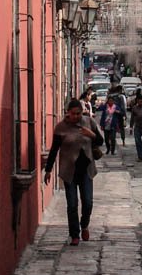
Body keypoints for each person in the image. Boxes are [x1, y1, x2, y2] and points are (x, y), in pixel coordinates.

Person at [43, 96, 105, 245]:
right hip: (69, 171)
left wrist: (91, 135)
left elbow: (100, 141)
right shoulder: (61, 128)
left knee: (88, 202)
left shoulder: (89, 122)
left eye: (79, 113)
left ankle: (84, 225)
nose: (77, 116)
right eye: (74, 114)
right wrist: (48, 170)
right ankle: (74, 234)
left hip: (86, 170)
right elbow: (54, 149)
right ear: (68, 113)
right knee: (72, 204)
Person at [101, 89, 126, 155]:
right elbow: (102, 115)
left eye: (112, 101)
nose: (110, 102)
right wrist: (102, 124)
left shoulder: (116, 107)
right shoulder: (105, 107)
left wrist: (118, 112)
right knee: (106, 139)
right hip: (106, 125)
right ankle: (108, 148)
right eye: (109, 101)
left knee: (113, 138)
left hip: (113, 125)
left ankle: (112, 151)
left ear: (113, 101)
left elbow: (121, 113)